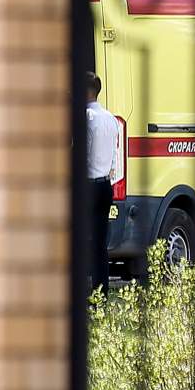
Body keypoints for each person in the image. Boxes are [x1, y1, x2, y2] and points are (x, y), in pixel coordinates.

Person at [86, 71, 120, 291]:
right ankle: (102, 291)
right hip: (105, 185)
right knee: (100, 243)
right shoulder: (110, 118)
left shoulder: (86, 117)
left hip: (87, 186)